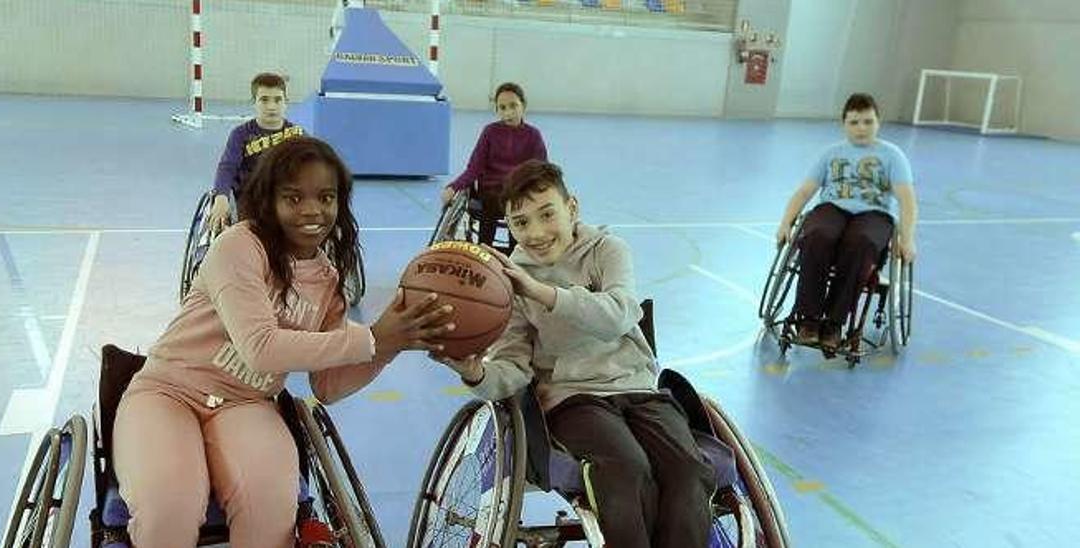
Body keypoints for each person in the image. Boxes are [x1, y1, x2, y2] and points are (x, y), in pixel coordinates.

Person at [115, 137, 453, 547]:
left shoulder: (328, 279)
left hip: (246, 403)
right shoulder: (239, 245)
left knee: (271, 509)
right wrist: (370, 338)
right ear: (269, 200)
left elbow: (328, 386)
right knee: (171, 507)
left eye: (326, 197)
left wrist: (391, 344)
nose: (313, 210)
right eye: (294, 198)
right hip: (168, 393)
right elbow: (260, 348)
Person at [433, 160, 714, 547]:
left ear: (572, 208)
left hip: (639, 389)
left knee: (687, 469)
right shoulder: (510, 280)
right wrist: (476, 373)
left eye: (547, 214)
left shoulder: (607, 250)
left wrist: (541, 292)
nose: (535, 232)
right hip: (574, 399)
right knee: (625, 468)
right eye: (520, 222)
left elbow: (618, 314)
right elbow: (513, 366)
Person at [775, 92, 918, 350]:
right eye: (854, 122)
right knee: (818, 235)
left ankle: (833, 323)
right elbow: (805, 191)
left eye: (867, 121)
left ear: (878, 122)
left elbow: (907, 201)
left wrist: (908, 239)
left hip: (873, 213)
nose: (861, 128)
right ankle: (808, 320)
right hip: (833, 208)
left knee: (861, 243)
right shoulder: (831, 154)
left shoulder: (892, 155)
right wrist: (785, 222)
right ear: (844, 124)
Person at [441, 82, 549, 249]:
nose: (508, 112)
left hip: (518, 193)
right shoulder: (490, 132)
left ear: (523, 105)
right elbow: (474, 168)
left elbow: (542, 171)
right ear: (497, 110)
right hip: (491, 193)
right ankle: (484, 251)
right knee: (492, 203)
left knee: (519, 205)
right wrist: (454, 187)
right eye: (502, 107)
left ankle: (516, 255)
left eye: (513, 106)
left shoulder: (533, 135)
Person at [208, 72, 305, 233]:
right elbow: (227, 167)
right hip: (250, 198)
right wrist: (221, 197)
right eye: (264, 100)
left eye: (278, 100)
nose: (272, 106)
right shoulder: (240, 134)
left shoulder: (298, 136)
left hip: (286, 198)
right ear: (254, 102)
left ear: (286, 102)